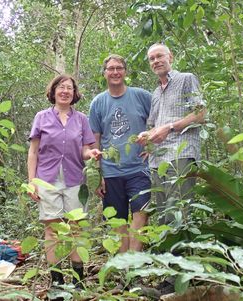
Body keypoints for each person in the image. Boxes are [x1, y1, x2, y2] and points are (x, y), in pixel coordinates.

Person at [27, 74, 101, 288]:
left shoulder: (81, 119)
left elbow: (85, 150)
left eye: (69, 88)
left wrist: (92, 153)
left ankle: (78, 280)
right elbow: (33, 152)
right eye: (61, 87)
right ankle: (57, 282)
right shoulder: (41, 117)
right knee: (53, 230)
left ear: (74, 93)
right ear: (53, 91)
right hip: (47, 180)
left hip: (75, 180)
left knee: (76, 228)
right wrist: (32, 182)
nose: (65, 91)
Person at [89, 54, 152, 252]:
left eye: (119, 68)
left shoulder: (142, 96)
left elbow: (158, 123)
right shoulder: (98, 103)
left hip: (140, 169)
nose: (115, 72)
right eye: (111, 69)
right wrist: (97, 174)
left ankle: (135, 266)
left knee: (141, 214)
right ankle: (125, 271)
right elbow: (95, 140)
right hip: (111, 171)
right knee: (118, 222)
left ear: (125, 72)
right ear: (104, 73)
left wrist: (153, 147)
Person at [138, 43, 206, 226]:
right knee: (163, 216)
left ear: (171, 57)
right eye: (152, 59)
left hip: (180, 154)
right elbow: (154, 125)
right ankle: (166, 254)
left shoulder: (186, 79)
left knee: (178, 214)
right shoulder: (156, 93)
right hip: (158, 159)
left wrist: (169, 127)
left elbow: (200, 114)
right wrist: (147, 138)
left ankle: (182, 252)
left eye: (159, 56)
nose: (156, 61)